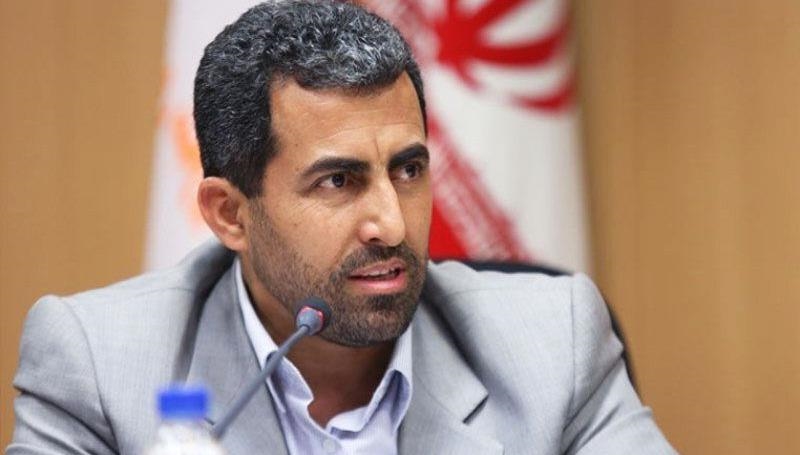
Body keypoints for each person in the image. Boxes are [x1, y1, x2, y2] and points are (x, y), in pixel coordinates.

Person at [8, 1, 675, 454]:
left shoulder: (551, 344)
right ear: (230, 213)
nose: (391, 222)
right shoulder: (99, 366)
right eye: (338, 181)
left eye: (408, 169)